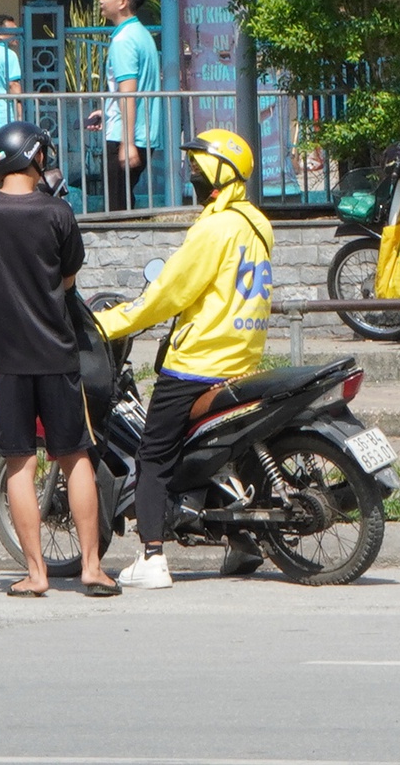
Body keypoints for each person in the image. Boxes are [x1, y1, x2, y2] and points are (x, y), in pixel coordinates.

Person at [94, 128, 273, 589]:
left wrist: (111, 323)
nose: (191, 175)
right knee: (228, 452)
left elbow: (169, 293)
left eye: (197, 168)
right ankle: (243, 540)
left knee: (153, 454)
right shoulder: (257, 223)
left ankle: (152, 555)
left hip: (198, 362)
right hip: (243, 356)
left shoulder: (214, 228)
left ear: (219, 174)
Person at [0, 120, 115, 597]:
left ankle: (36, 574)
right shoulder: (58, 212)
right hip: (57, 354)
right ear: (32, 158)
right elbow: (68, 278)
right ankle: (90, 568)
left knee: (20, 463)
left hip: (5, 357)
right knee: (73, 455)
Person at [99, 0, 158, 207]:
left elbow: (128, 92)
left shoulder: (123, 40)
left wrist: (127, 142)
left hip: (124, 136)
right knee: (124, 202)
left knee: (117, 209)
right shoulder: (142, 35)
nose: (101, 2)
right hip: (144, 134)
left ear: (122, 2)